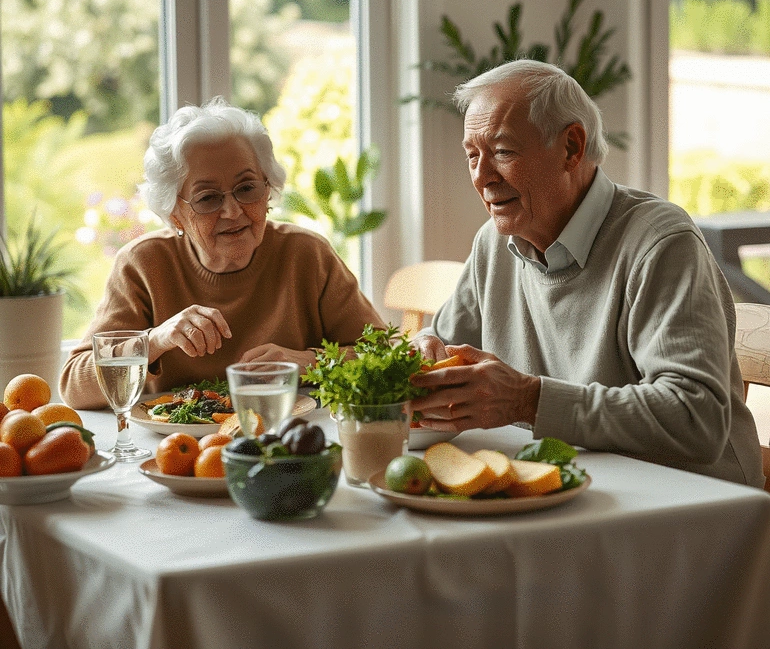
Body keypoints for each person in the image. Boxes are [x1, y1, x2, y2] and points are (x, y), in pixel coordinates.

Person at [409, 59, 764, 487]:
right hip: (577, 486)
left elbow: (695, 417)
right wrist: (422, 351)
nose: (482, 177)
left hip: (694, 499)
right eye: (472, 155)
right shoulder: (494, 243)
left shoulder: (660, 243)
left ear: (571, 148)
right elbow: (443, 348)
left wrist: (527, 400)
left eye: (503, 152)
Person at [61, 97, 384, 410]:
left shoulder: (307, 255)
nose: (233, 211)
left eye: (247, 188)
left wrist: (307, 361)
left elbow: (385, 355)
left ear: (268, 190)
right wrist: (156, 341)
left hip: (287, 435)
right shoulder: (144, 264)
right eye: (207, 198)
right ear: (175, 214)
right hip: (178, 443)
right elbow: (75, 385)